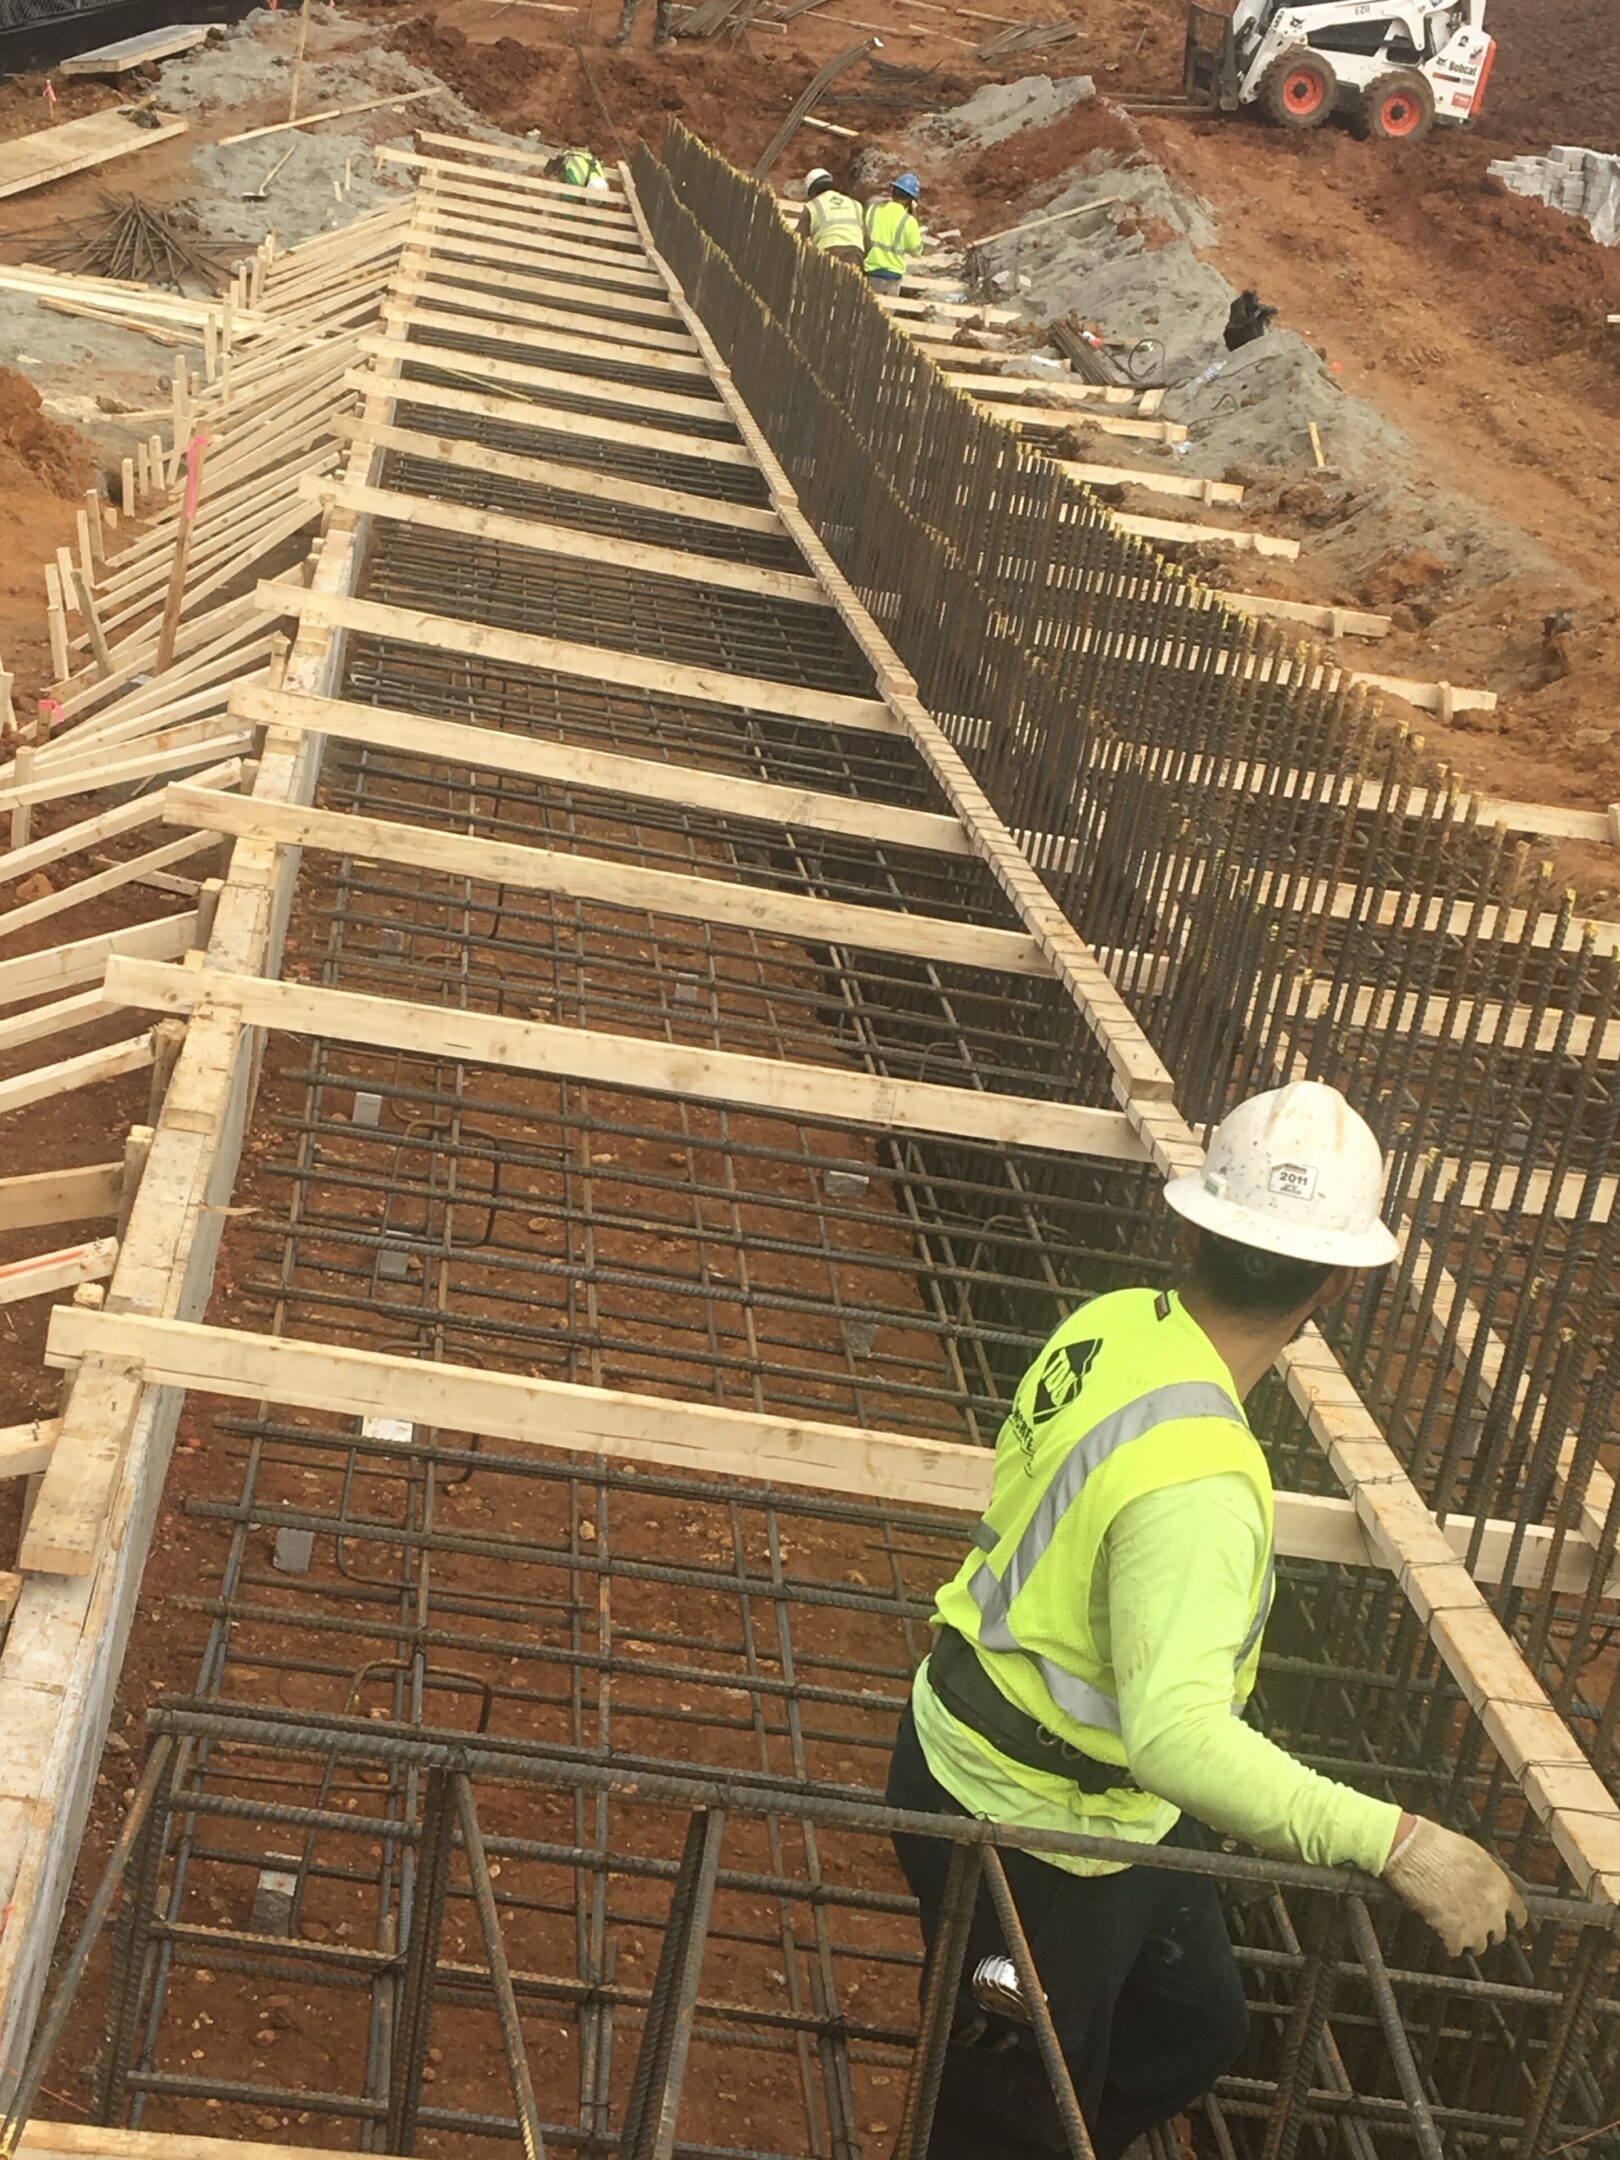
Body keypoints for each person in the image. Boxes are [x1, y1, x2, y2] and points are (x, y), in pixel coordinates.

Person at [885, 1080, 1527, 2160]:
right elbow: (1176, 1737)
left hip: (1035, 1772)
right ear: (1334, 1284)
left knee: (1192, 2028)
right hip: (1035, 1831)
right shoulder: (1200, 1487)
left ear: (1193, 1226)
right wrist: (1399, 1842)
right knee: (1000, 2116)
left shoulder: (1116, 1325)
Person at [864, 172, 924, 291]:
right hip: (892, 276)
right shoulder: (908, 221)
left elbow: (864, 234)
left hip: (869, 271)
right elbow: (916, 251)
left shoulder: (873, 209)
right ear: (910, 200)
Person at [797, 167, 866, 268]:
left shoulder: (813, 206)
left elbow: (798, 237)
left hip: (828, 252)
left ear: (812, 191)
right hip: (854, 253)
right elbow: (866, 237)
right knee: (849, 282)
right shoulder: (855, 204)